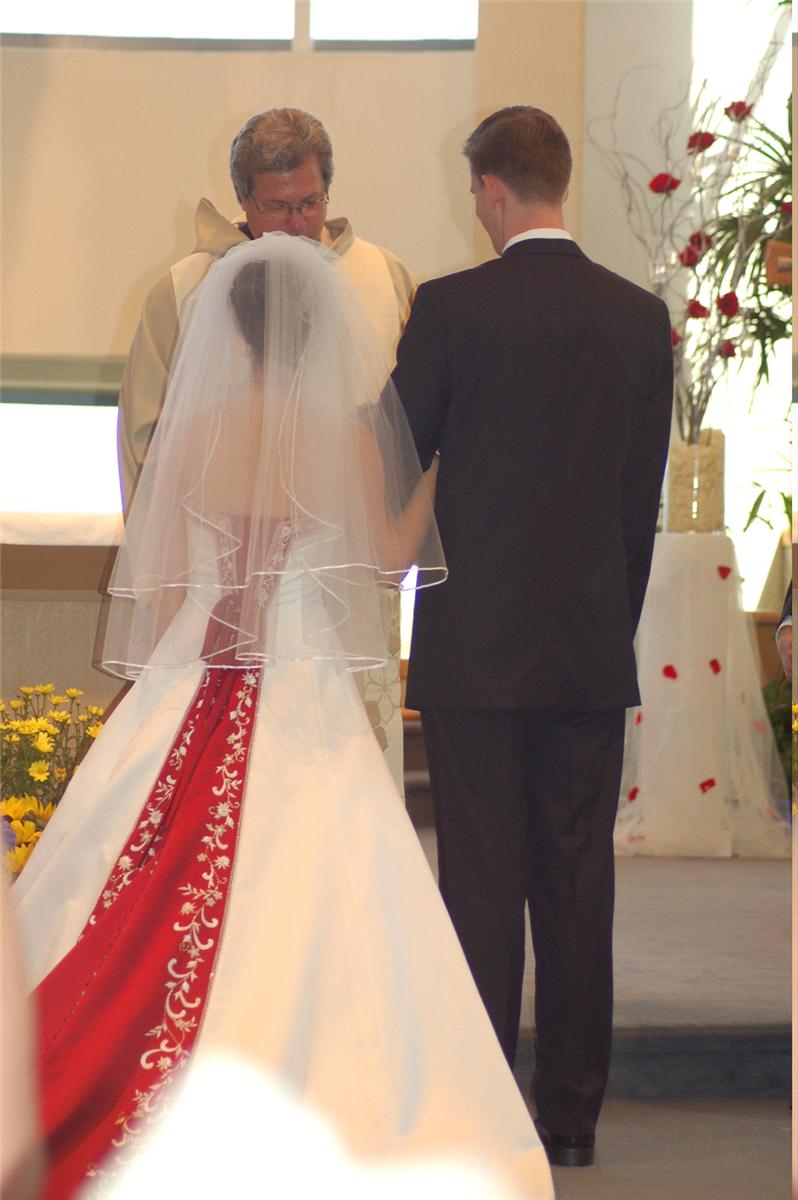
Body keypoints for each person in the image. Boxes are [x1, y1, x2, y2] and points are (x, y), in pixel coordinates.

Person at [12, 236, 553, 1200]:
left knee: (118, 856)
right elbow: (388, 559)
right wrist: (437, 472)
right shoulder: (340, 435)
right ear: (319, 332)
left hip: (200, 673)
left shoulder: (202, 424)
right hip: (300, 682)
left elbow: (171, 567)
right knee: (340, 879)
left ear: (227, 328)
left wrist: (230, 600)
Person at [391, 106, 673, 1167]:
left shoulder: (452, 308)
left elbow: (392, 450)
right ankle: (570, 1118)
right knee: (575, 881)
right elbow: (636, 508)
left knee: (480, 882)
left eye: (474, 194)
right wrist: (610, 618)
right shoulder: (638, 319)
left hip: (473, 651)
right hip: (590, 650)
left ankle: (480, 1104)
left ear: (493, 192)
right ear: (559, 183)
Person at [117, 105, 416, 789]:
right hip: (218, 593)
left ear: (327, 193)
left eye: (309, 203)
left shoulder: (387, 277)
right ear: (244, 202)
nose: (296, 224)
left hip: (342, 586)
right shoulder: (188, 288)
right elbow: (146, 447)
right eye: (277, 207)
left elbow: (407, 429)